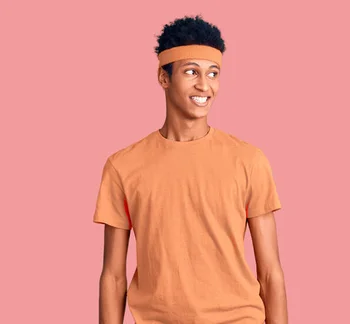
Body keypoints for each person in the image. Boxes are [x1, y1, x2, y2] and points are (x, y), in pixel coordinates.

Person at [93, 15, 288, 324]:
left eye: (213, 73)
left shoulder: (249, 160)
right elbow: (113, 276)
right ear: (163, 77)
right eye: (191, 72)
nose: (204, 85)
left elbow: (270, 272)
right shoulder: (122, 166)